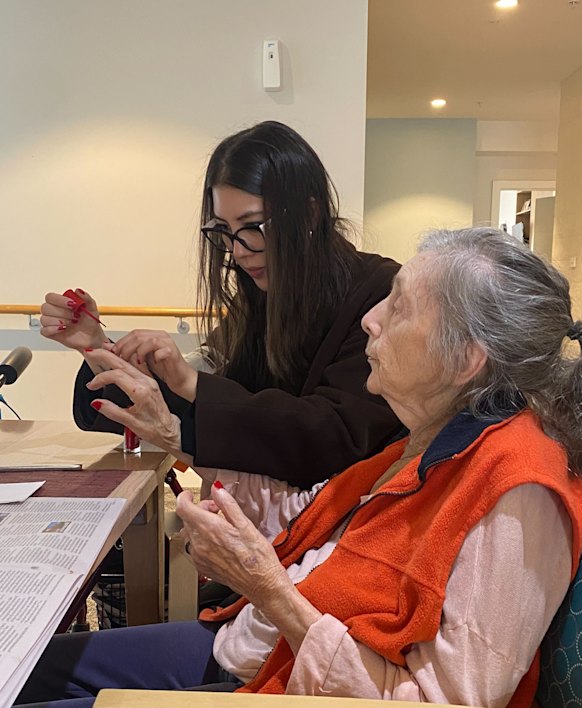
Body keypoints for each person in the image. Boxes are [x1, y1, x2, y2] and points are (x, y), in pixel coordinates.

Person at [4, 227, 582, 708]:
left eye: (397, 308)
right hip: (266, 657)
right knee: (18, 669)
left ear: (466, 359)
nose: (369, 321)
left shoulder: (517, 494)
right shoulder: (435, 436)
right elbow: (313, 528)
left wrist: (265, 586)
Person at [39, 120, 402, 490]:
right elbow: (204, 415)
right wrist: (98, 347)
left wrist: (191, 382)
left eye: (254, 226)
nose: (238, 251)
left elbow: (335, 436)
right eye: (224, 231)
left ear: (309, 215)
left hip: (349, 524)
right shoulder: (260, 296)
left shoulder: (381, 294)